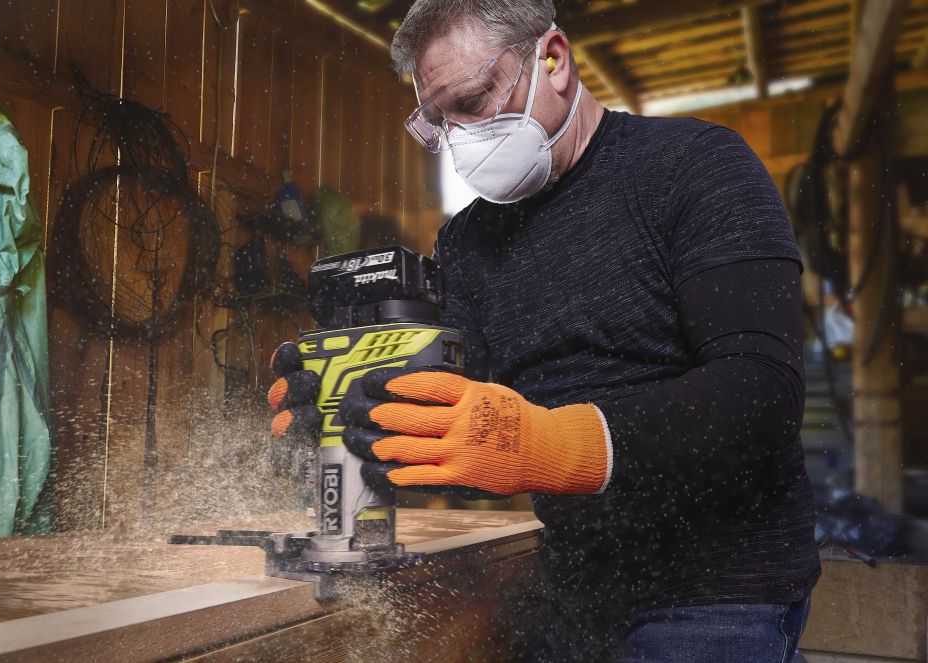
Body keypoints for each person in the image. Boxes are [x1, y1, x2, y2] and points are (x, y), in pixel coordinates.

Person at [268, 1, 820, 660]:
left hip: (717, 592)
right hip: (572, 587)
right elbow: (479, 442)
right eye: (439, 121)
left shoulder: (697, 167)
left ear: (552, 60)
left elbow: (759, 397)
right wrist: (366, 425)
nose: (460, 136)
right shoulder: (466, 242)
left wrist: (556, 442)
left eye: (473, 100)